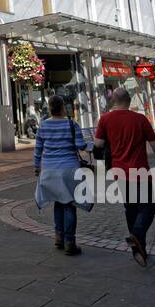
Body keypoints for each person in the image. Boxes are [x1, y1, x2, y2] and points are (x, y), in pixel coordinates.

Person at [94, 87, 155, 267]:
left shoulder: (105, 119)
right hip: (140, 171)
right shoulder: (140, 119)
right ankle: (137, 233)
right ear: (129, 101)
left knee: (131, 209)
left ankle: (138, 248)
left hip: (119, 172)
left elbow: (98, 145)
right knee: (149, 209)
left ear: (114, 101)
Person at [33, 96, 93, 256]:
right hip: (69, 170)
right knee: (69, 205)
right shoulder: (71, 124)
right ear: (63, 108)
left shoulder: (43, 125)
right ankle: (69, 242)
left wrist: (36, 167)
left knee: (58, 203)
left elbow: (38, 149)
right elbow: (81, 146)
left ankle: (58, 236)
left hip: (49, 170)